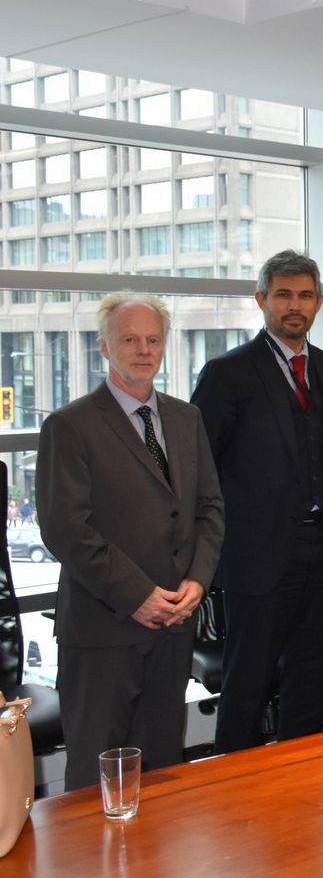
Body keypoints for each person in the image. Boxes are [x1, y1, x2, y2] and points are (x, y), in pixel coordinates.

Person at [36, 292, 224, 790]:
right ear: (104, 346)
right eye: (129, 340)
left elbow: (209, 508)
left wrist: (198, 581)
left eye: (153, 340)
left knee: (162, 769)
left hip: (174, 624)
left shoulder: (186, 419)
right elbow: (65, 530)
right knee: (93, 778)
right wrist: (138, 595)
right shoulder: (69, 426)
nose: (143, 350)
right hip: (104, 629)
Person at [192, 250, 323, 752]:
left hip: (321, 554)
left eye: (305, 295)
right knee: (248, 683)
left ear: (319, 302)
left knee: (311, 678)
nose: (294, 305)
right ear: (261, 300)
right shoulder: (227, 373)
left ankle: (301, 776)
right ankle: (235, 780)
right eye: (283, 295)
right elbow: (200, 468)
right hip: (257, 558)